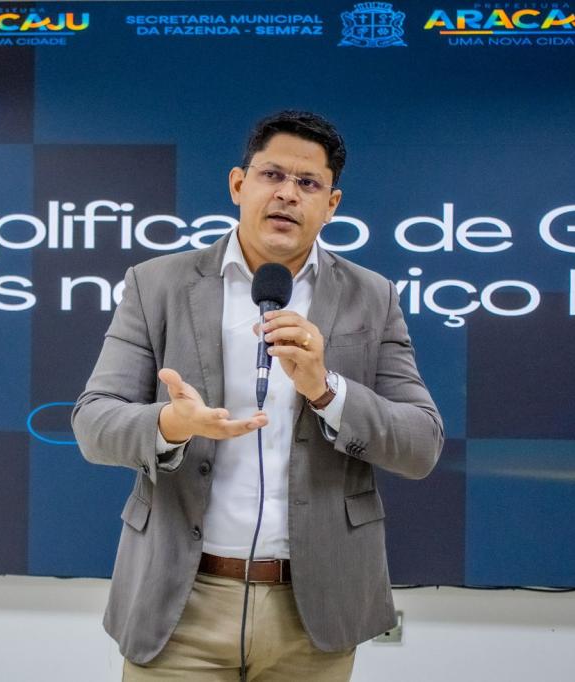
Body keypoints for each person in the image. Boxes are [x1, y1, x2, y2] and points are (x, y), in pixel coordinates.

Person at [72, 110, 443, 681]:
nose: (288, 194)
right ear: (238, 184)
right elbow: (94, 423)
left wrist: (327, 390)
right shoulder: (157, 283)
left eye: (308, 183)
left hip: (314, 612)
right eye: (272, 175)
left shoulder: (372, 297)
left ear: (332, 204)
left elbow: (421, 445)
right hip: (180, 604)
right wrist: (173, 425)